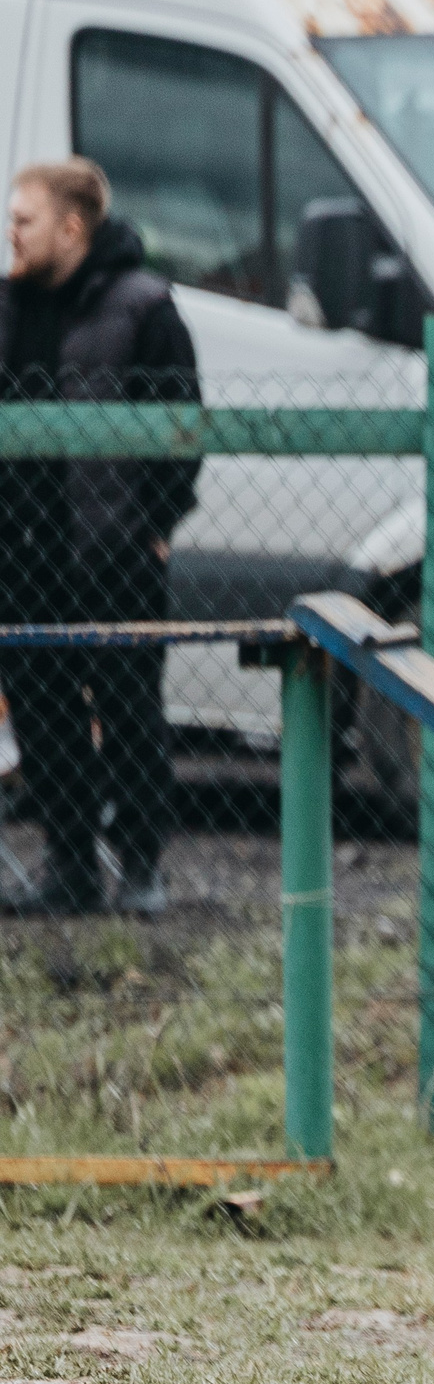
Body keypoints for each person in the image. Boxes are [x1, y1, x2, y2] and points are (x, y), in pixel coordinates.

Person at [0, 157, 200, 916]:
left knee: (129, 710)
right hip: (23, 555)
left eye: (24, 221)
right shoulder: (7, 307)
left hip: (113, 554)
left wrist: (156, 527)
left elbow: (182, 427)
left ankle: (142, 867)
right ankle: (71, 865)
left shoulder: (144, 309)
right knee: (41, 711)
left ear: (71, 226)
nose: (12, 235)